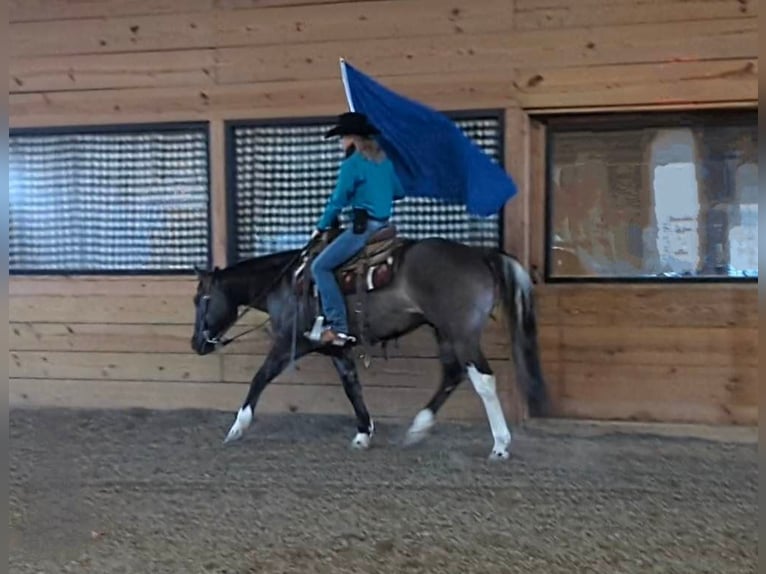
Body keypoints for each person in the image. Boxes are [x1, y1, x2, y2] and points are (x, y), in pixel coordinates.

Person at [308, 111, 404, 346]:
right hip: (384, 226)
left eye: (342, 138)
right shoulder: (384, 160)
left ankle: (338, 328)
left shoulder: (352, 164)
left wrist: (320, 227)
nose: (341, 143)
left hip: (364, 228)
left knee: (320, 267)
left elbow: (338, 200)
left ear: (352, 138)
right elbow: (399, 191)